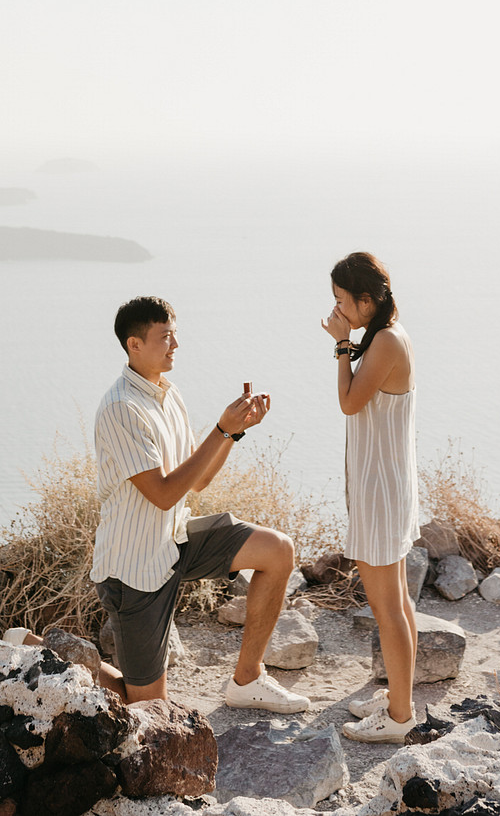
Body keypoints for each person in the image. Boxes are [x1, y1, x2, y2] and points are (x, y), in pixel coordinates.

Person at [91, 294, 311, 712]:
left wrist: (233, 432)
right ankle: (53, 656)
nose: (175, 345)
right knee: (149, 711)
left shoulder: (168, 395)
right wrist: (220, 428)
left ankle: (248, 682)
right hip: (134, 568)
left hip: (175, 540)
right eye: (165, 337)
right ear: (134, 344)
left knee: (277, 551)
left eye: (175, 336)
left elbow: (199, 481)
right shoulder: (121, 408)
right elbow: (163, 493)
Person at [321, 252, 419, 742]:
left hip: (380, 490)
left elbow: (349, 402)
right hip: (385, 485)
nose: (337, 308)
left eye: (342, 300)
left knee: (387, 606)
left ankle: (399, 719)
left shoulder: (382, 343)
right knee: (396, 600)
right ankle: (400, 699)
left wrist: (342, 344)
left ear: (365, 300)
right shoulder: (385, 336)